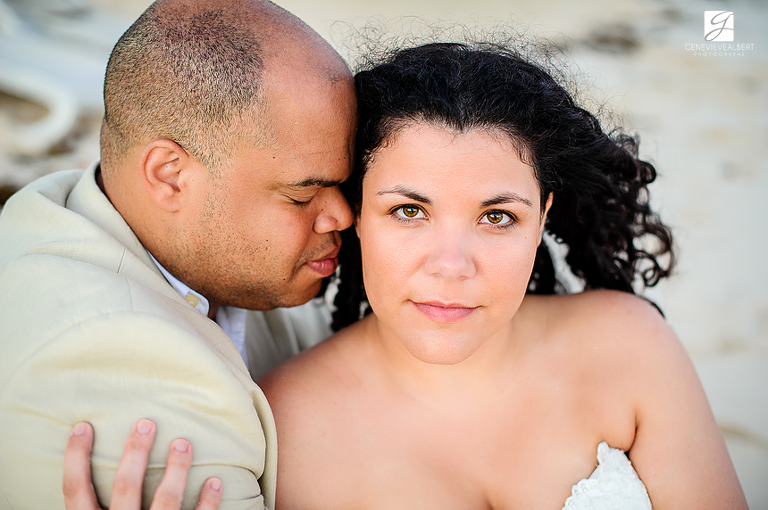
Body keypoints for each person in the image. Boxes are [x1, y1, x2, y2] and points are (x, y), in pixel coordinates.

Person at [64, 39, 749, 509]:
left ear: (543, 215)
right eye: (410, 211)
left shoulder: (627, 345)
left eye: (498, 217)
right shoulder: (285, 430)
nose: (451, 267)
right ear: (355, 213)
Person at [0, 0, 355, 507]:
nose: (341, 215)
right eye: (302, 194)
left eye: (344, 184)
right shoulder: (111, 367)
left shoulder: (106, 215)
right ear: (170, 175)